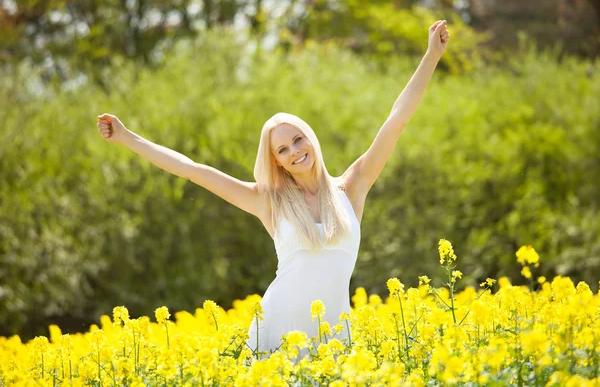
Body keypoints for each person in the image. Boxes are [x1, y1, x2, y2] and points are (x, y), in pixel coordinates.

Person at [96, 20, 450, 359]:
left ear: (311, 138)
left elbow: (397, 119)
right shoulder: (269, 202)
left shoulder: (352, 187)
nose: (295, 151)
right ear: (276, 161)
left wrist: (431, 56)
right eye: (283, 150)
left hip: (334, 338)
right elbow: (192, 170)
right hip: (277, 334)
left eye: (298, 139)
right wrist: (128, 138)